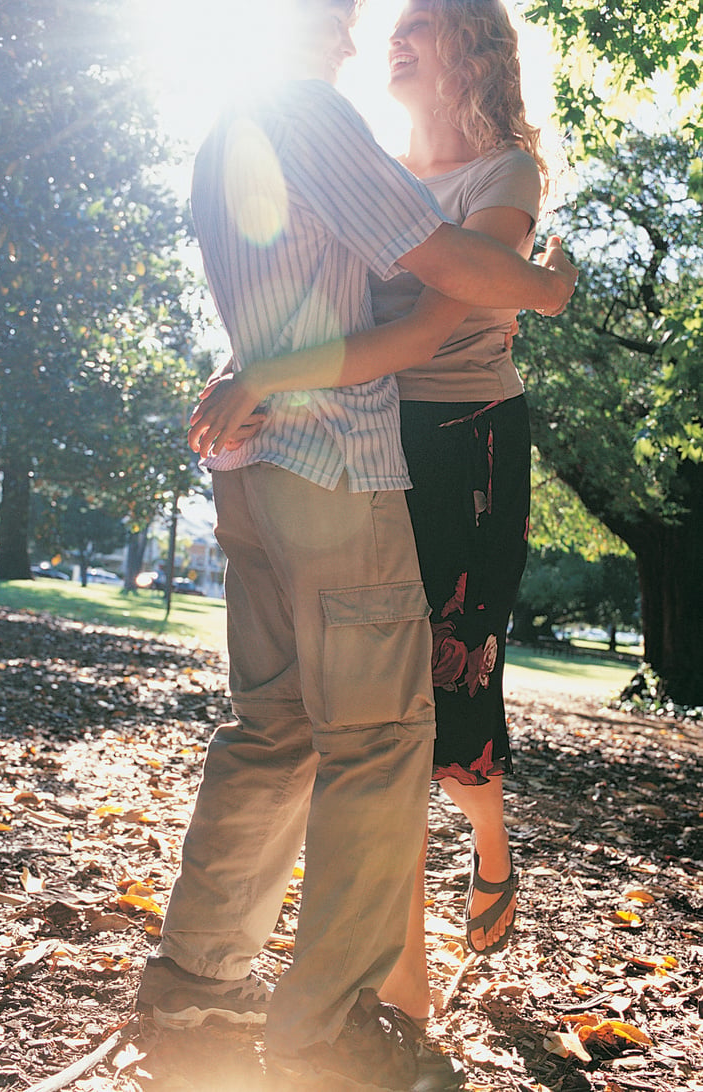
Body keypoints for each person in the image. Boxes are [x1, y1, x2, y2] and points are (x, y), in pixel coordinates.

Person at [139, 1, 576, 1088]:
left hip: (255, 475)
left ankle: (193, 990)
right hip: (339, 467)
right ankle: (326, 1032)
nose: (351, 38)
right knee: (379, 746)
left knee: (271, 733)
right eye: (336, 17)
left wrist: (254, 375)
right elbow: (441, 275)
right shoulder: (318, 124)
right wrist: (550, 285)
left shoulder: (228, 129)